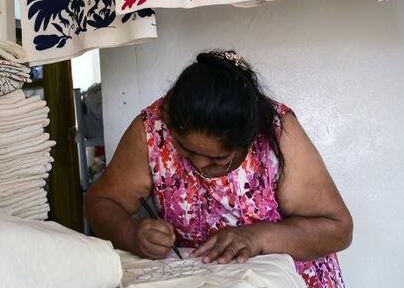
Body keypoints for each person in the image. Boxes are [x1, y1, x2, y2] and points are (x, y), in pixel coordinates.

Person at [85, 51, 352, 288]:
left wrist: (258, 237)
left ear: (248, 140)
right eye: (187, 151)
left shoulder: (278, 133)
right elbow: (101, 202)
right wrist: (131, 234)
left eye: (217, 159)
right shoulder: (153, 128)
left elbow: (338, 229)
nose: (199, 165)